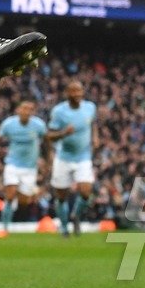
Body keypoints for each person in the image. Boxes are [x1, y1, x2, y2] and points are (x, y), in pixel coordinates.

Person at [0, 99, 46, 238]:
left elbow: (47, 141)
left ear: (33, 112)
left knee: (24, 201)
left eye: (29, 109)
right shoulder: (9, 124)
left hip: (30, 168)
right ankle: (4, 228)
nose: (26, 111)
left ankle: (27, 192)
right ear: (18, 110)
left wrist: (48, 160)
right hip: (12, 164)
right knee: (9, 196)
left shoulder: (39, 125)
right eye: (24, 108)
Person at [48, 80, 97, 237]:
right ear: (67, 93)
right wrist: (63, 133)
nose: (77, 94)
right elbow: (50, 136)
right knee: (61, 196)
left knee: (86, 192)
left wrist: (95, 137)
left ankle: (76, 215)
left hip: (83, 157)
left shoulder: (90, 107)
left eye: (79, 91)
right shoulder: (58, 111)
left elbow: (93, 123)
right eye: (74, 91)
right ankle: (64, 227)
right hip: (64, 157)